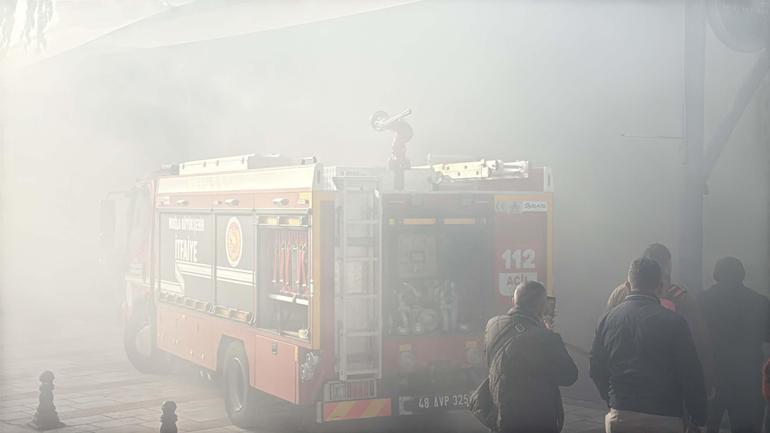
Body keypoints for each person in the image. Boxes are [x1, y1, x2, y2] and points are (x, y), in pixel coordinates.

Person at [591, 257, 707, 433]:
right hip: (665, 415)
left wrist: (612, 398)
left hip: (621, 413)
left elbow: (596, 366)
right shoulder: (675, 322)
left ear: (628, 286)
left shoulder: (608, 319)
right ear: (660, 287)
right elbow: (690, 372)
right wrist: (698, 416)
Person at [606, 243, 716, 401]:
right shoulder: (681, 297)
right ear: (668, 266)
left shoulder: (618, 294)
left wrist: (607, 390)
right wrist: (706, 380)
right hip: (666, 391)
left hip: (623, 387)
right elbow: (699, 341)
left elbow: (603, 336)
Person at [484, 281, 578, 433]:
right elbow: (569, 376)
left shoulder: (492, 325)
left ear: (514, 301)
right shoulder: (546, 338)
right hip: (537, 420)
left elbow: (490, 359)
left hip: (502, 416)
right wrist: (548, 332)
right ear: (542, 307)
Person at [701, 257, 770, 433]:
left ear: (716, 275)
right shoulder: (760, 302)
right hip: (748, 381)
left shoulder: (702, 301)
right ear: (742, 275)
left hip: (712, 379)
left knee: (708, 426)